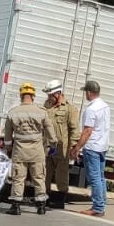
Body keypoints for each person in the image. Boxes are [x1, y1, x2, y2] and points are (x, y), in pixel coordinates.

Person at [4, 81, 57, 216]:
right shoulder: (41, 112)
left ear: (21, 95)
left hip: (20, 151)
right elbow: (50, 129)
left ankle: (16, 206)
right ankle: (41, 206)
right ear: (33, 96)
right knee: (39, 177)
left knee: (18, 178)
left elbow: (8, 135)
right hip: (36, 151)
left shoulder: (13, 113)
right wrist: (53, 144)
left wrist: (8, 148)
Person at [69, 80, 110, 217]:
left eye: (85, 91)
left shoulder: (91, 109)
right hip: (102, 146)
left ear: (89, 92)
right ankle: (102, 202)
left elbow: (87, 131)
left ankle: (98, 207)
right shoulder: (105, 106)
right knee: (100, 176)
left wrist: (77, 148)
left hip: (92, 147)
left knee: (94, 178)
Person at [42, 78, 80, 209]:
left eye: (50, 95)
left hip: (61, 149)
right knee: (44, 173)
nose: (48, 97)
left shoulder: (70, 109)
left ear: (57, 94)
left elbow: (74, 129)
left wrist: (74, 147)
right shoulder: (46, 105)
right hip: (47, 147)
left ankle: (60, 200)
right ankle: (44, 198)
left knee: (61, 175)